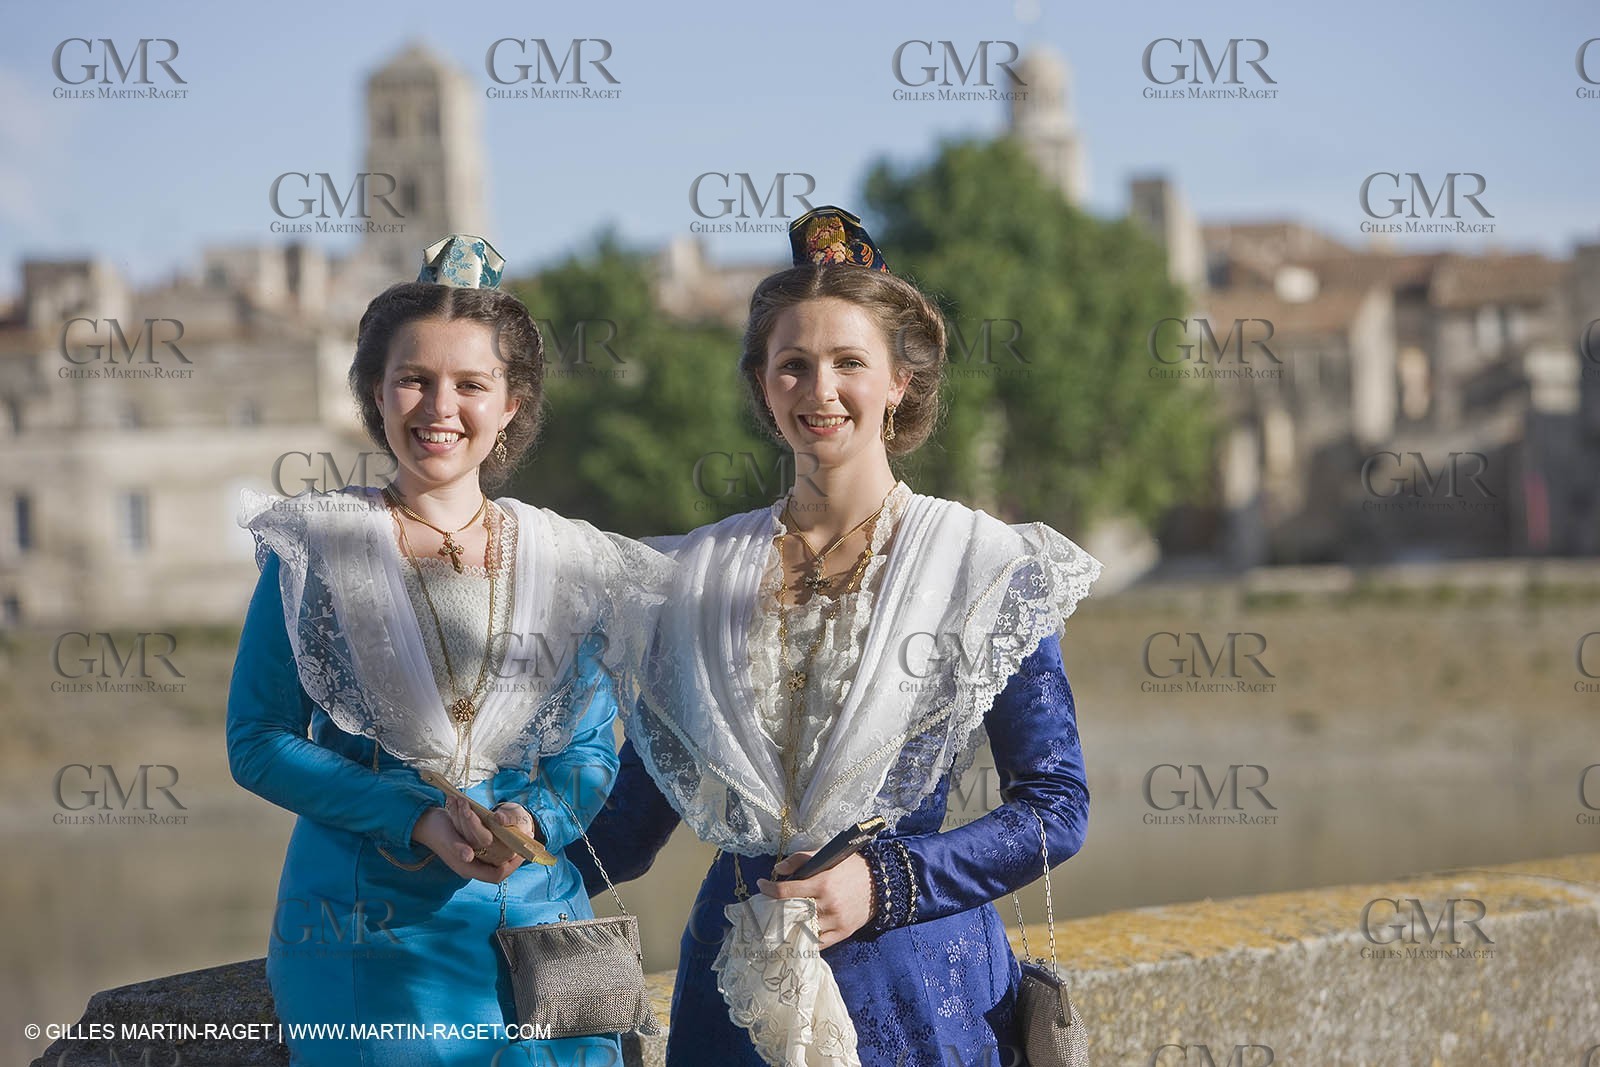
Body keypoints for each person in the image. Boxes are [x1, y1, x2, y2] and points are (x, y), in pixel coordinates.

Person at [573, 208, 1102, 1066]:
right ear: (764, 386)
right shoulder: (698, 578)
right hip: (734, 999)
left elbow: (1055, 809)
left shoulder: (981, 566)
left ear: (899, 380)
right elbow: (632, 823)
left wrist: (885, 883)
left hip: (924, 992)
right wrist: (494, 852)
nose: (821, 389)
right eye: (794, 365)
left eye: (849, 361)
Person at [227, 235, 666, 1066]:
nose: (440, 407)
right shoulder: (316, 549)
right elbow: (257, 740)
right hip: (372, 936)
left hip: (540, 924)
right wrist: (416, 816)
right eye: (414, 379)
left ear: (510, 404)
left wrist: (531, 817)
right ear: (375, 392)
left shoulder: (562, 560)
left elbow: (588, 751)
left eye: (471, 383)